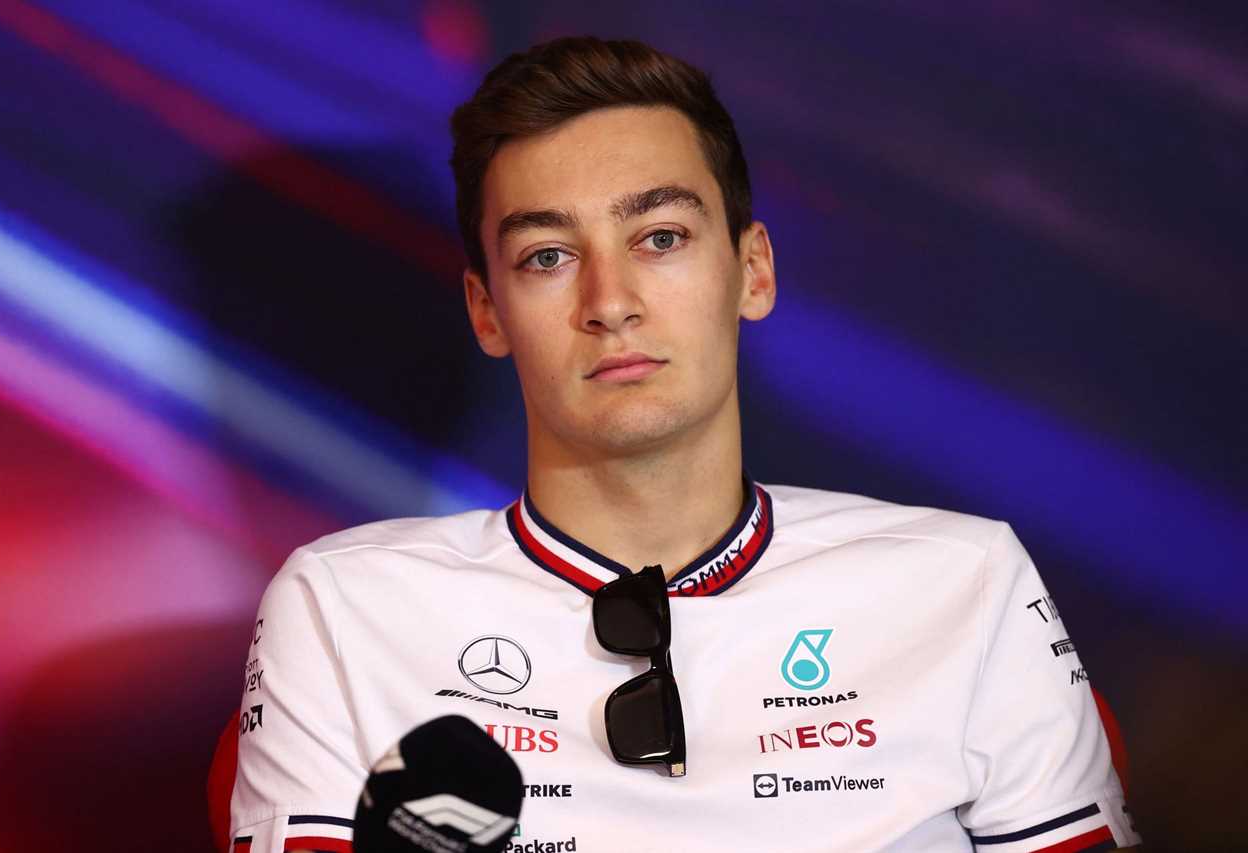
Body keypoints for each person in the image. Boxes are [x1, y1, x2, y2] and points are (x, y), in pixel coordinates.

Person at [230, 36, 1141, 852]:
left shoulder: (966, 579)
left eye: (659, 237)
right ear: (486, 310)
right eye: (548, 255)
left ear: (752, 270)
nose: (609, 299)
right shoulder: (343, 607)